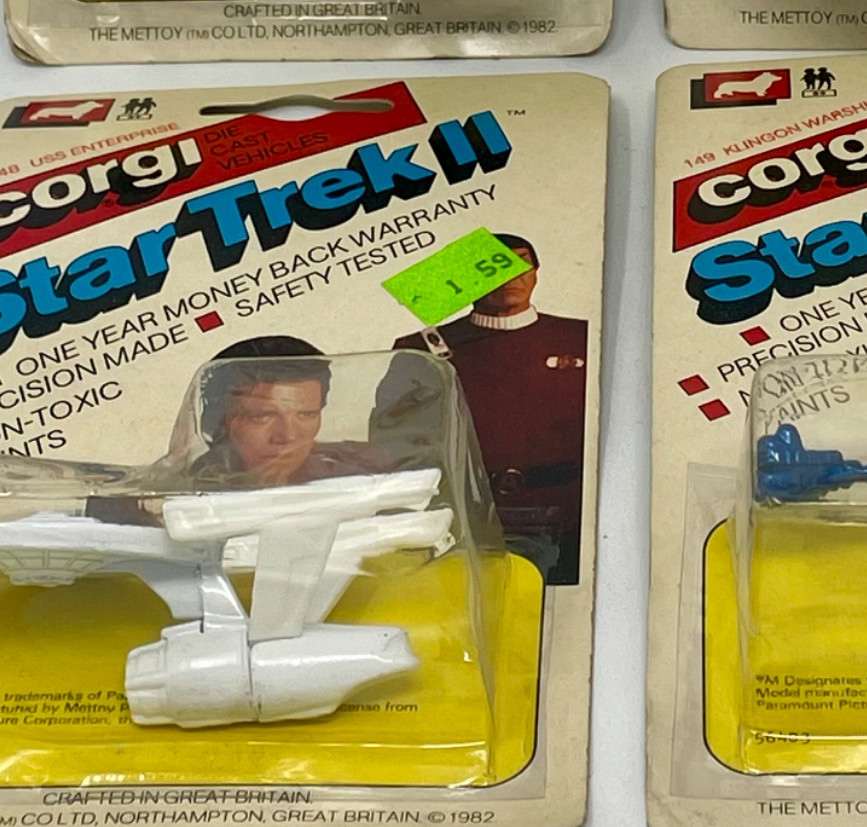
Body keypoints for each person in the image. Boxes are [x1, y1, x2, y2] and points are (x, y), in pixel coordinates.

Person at [389, 233, 589, 584]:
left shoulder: (581, 336)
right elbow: (392, 442)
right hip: (462, 520)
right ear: (467, 277)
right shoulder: (419, 349)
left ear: (536, 273)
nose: (511, 275)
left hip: (569, 519)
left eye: (521, 263)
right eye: (496, 264)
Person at [185, 337, 393, 486]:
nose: (288, 436)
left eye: (307, 414)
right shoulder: (183, 496)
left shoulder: (363, 478)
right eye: (261, 416)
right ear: (217, 422)